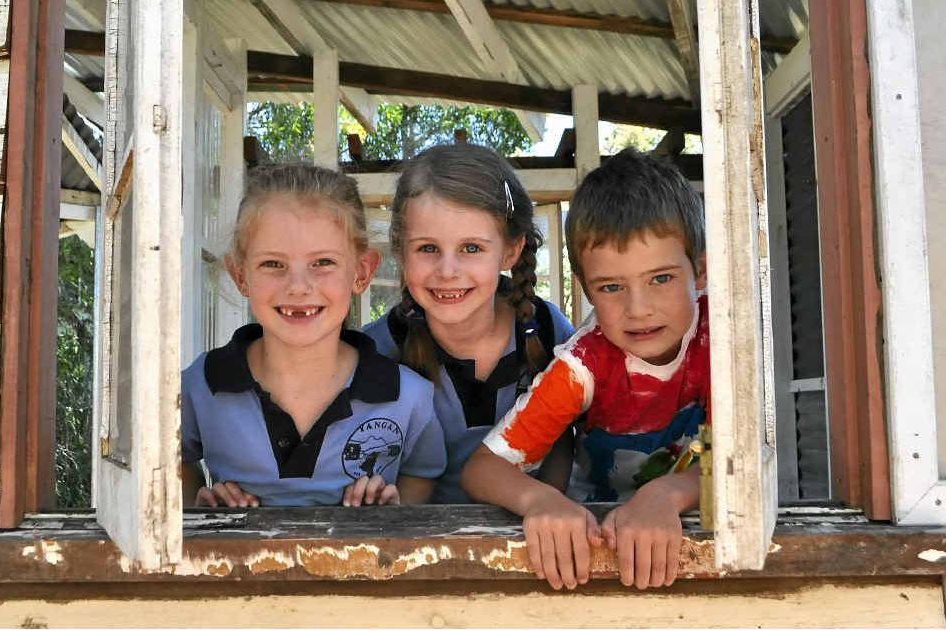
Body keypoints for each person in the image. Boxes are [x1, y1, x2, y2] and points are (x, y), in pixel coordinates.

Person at [462, 148, 708, 591]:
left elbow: (750, 459)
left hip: (691, 536)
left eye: (661, 279)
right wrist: (541, 500)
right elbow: (482, 469)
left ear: (702, 271)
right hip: (596, 548)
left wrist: (669, 494)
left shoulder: (726, 342)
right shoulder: (583, 366)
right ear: (587, 290)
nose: (638, 309)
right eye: (611, 287)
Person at [181, 164, 446, 508]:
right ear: (240, 274)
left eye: (322, 262)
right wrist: (195, 513)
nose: (298, 287)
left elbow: (422, 473)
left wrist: (393, 517)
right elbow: (167, 459)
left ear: (362, 272)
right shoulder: (200, 386)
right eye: (273, 264)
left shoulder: (408, 397)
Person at [363, 144, 575, 504]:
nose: (448, 271)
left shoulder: (549, 332)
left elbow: (571, 441)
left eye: (471, 248)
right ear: (400, 250)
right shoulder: (374, 353)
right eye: (428, 248)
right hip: (414, 545)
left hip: (536, 538)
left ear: (510, 250)